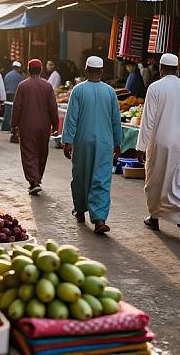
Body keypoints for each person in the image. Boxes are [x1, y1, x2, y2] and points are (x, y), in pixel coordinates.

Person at [137, 53, 180, 243]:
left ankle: (154, 217)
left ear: (161, 68)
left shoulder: (155, 87)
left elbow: (148, 120)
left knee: (156, 180)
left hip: (160, 143)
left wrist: (141, 146)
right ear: (177, 69)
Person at [62, 56, 121, 234]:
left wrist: (67, 141)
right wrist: (118, 143)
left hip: (83, 141)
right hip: (105, 142)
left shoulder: (78, 90)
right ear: (102, 72)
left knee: (80, 175)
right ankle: (99, 219)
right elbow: (115, 120)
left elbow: (71, 117)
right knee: (101, 178)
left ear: (86, 70)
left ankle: (80, 209)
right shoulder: (110, 92)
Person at [11, 59, 59, 196]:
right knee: (42, 153)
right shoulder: (47, 86)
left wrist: (14, 124)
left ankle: (34, 181)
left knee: (29, 153)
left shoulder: (23, 86)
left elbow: (17, 107)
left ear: (28, 70)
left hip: (27, 126)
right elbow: (53, 108)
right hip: (44, 126)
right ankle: (37, 178)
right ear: (41, 70)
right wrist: (55, 126)